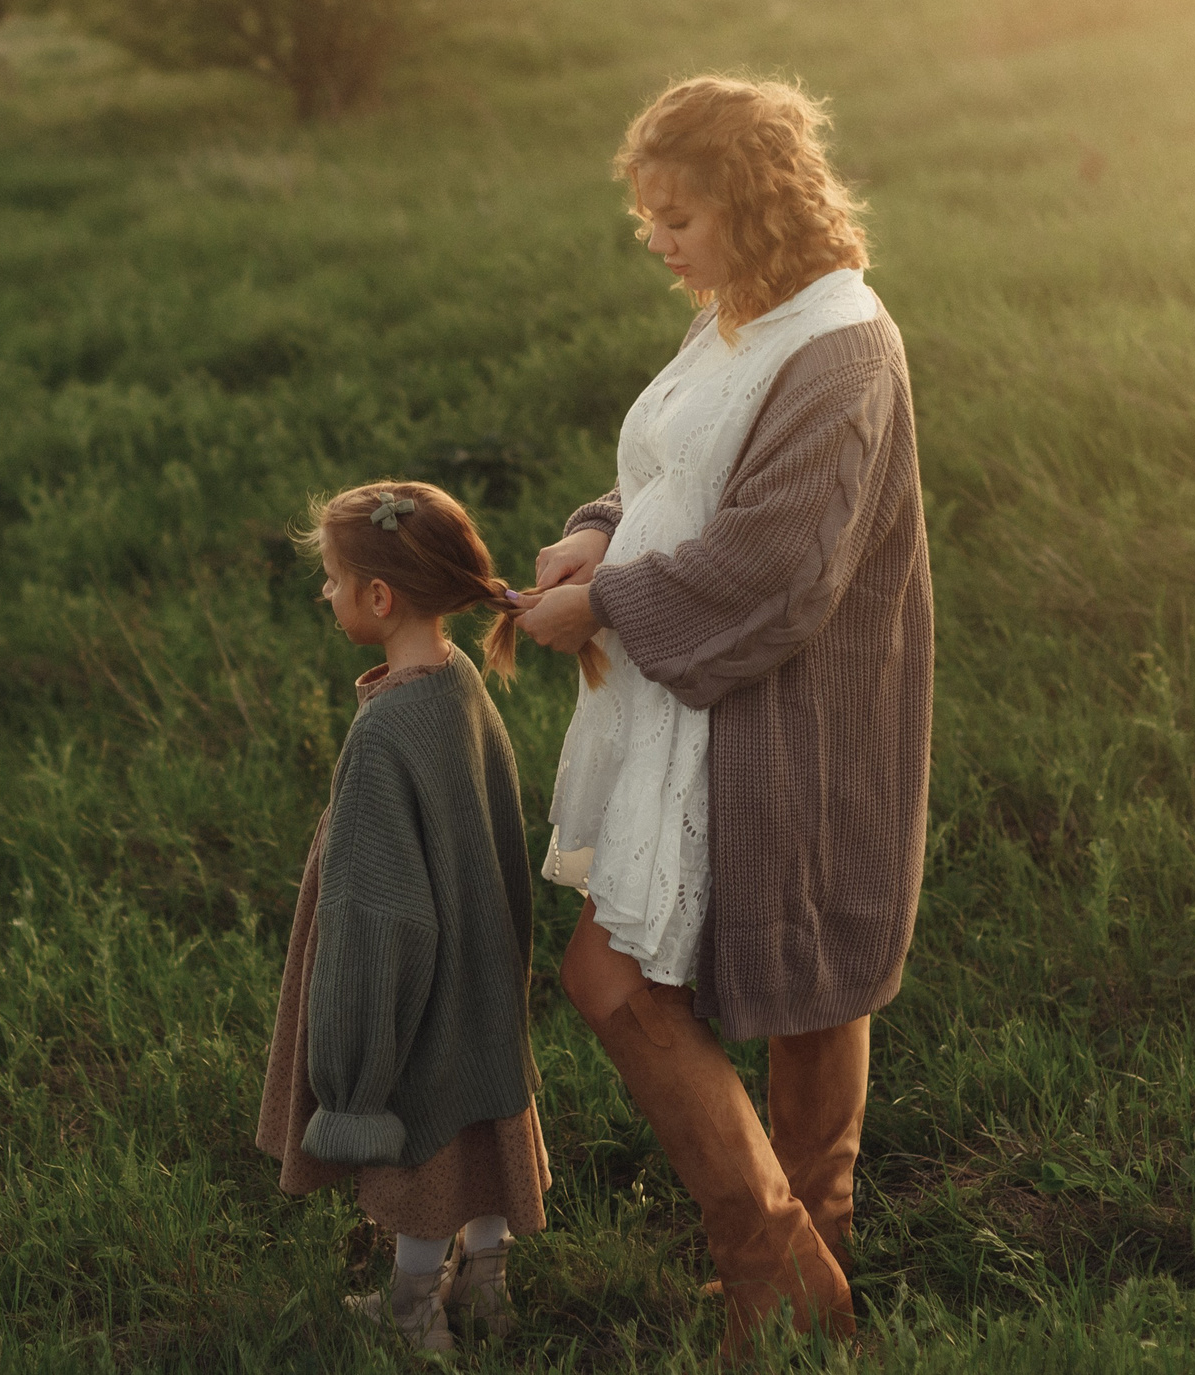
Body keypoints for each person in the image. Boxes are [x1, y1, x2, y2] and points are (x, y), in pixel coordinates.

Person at [512, 75, 934, 1362]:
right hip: (701, 694)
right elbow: (679, 471)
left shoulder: (839, 345)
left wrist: (604, 605)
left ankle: (788, 1261)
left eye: (679, 216)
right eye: (646, 214)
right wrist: (598, 532)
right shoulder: (737, 314)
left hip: (799, 715)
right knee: (631, 976)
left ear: (755, 206)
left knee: (802, 982)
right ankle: (796, 1267)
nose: (657, 239)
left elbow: (780, 562)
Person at [255, 480, 552, 1352]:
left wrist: (357, 1069)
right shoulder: (458, 678)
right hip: (482, 962)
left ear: (379, 598)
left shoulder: (384, 734)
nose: (326, 592)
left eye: (333, 577)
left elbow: (373, 917)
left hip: (420, 986)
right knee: (481, 1122)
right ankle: (485, 1287)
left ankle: (415, 1313)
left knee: (428, 1140)